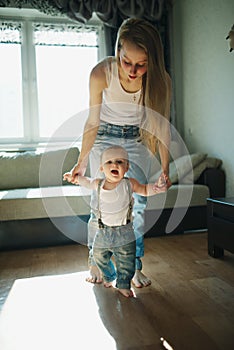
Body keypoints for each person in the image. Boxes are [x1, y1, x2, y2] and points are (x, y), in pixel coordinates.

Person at [68, 17, 172, 287]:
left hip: (135, 142)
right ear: (118, 51)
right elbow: (92, 121)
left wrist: (165, 169)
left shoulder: (161, 81)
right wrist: (81, 162)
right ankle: (97, 262)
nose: (134, 71)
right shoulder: (101, 73)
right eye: (127, 62)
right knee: (101, 202)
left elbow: (161, 127)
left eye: (142, 64)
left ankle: (132, 267)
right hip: (103, 139)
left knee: (136, 205)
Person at [64, 145, 167, 297]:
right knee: (98, 256)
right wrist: (75, 178)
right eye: (109, 162)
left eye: (120, 162)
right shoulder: (98, 184)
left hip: (125, 233)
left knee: (127, 262)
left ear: (127, 167)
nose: (115, 165)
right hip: (103, 231)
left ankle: (124, 284)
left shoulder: (129, 183)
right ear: (101, 168)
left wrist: (157, 188)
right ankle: (110, 275)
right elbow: (85, 181)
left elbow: (145, 190)